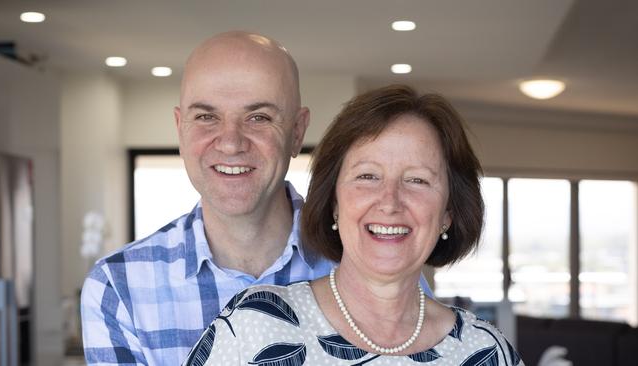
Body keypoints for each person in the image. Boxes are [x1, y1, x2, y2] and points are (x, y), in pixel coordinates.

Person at [80, 31, 433, 365]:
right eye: (206, 117)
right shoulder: (119, 286)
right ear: (180, 129)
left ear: (297, 132)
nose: (231, 142)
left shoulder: (380, 261)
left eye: (259, 117)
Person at [184, 85, 524, 365]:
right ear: (334, 202)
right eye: (367, 176)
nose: (390, 202)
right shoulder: (255, 325)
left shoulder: (486, 352)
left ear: (448, 212)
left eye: (418, 180)